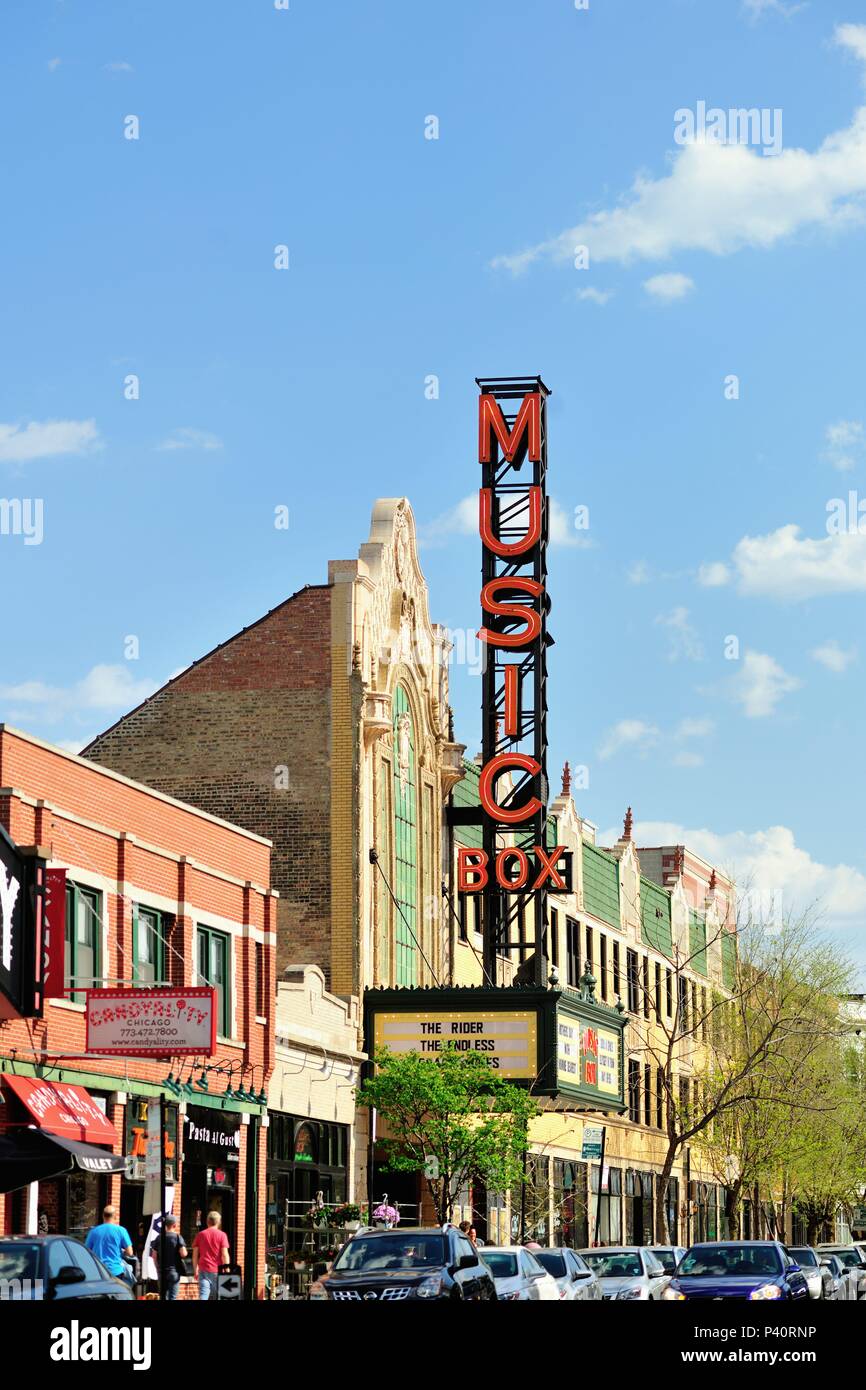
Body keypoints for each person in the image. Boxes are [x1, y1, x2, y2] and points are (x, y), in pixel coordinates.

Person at [85, 1205, 135, 1286]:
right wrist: (122, 1252)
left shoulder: (93, 1231)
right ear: (115, 1216)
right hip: (115, 1271)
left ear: (103, 1216)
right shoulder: (121, 1230)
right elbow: (130, 1252)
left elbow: (86, 1251)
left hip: (98, 1272)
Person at [192, 1210, 229, 1301]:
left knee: (203, 1296)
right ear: (218, 1222)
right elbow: (224, 1254)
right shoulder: (222, 1235)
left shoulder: (200, 1235)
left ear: (207, 1222)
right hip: (217, 1270)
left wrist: (195, 1269)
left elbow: (195, 1255)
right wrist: (227, 1269)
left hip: (203, 1270)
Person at [155, 1215, 188, 1301]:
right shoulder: (177, 1237)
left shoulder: (159, 1237)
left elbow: (154, 1256)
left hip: (162, 1272)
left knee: (163, 1297)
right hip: (174, 1272)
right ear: (174, 1225)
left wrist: (157, 1268)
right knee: (172, 1297)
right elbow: (183, 1254)